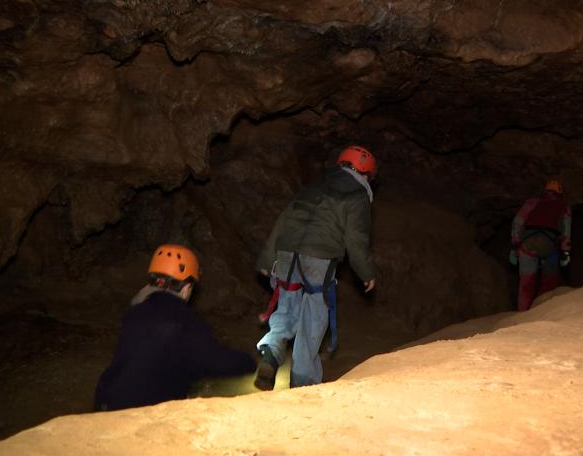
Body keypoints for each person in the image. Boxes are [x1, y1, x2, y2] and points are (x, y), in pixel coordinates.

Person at [253, 144, 376, 390]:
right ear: (366, 173)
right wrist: (366, 272)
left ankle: (270, 356)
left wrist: (267, 260)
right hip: (319, 258)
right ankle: (303, 383)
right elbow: (355, 239)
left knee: (286, 308)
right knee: (313, 316)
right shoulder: (357, 195)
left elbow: (284, 220)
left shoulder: (313, 187)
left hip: (287, 253)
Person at [94, 244, 256, 411]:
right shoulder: (185, 322)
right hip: (141, 411)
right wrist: (249, 362)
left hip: (105, 399)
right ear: (186, 288)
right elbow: (214, 361)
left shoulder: (134, 313)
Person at [510, 180, 572, 311]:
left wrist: (515, 245)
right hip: (548, 244)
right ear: (560, 193)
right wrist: (565, 252)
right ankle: (541, 310)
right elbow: (566, 231)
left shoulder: (532, 202)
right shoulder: (564, 206)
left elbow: (517, 222)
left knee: (526, 284)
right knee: (549, 281)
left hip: (527, 243)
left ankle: (523, 313)